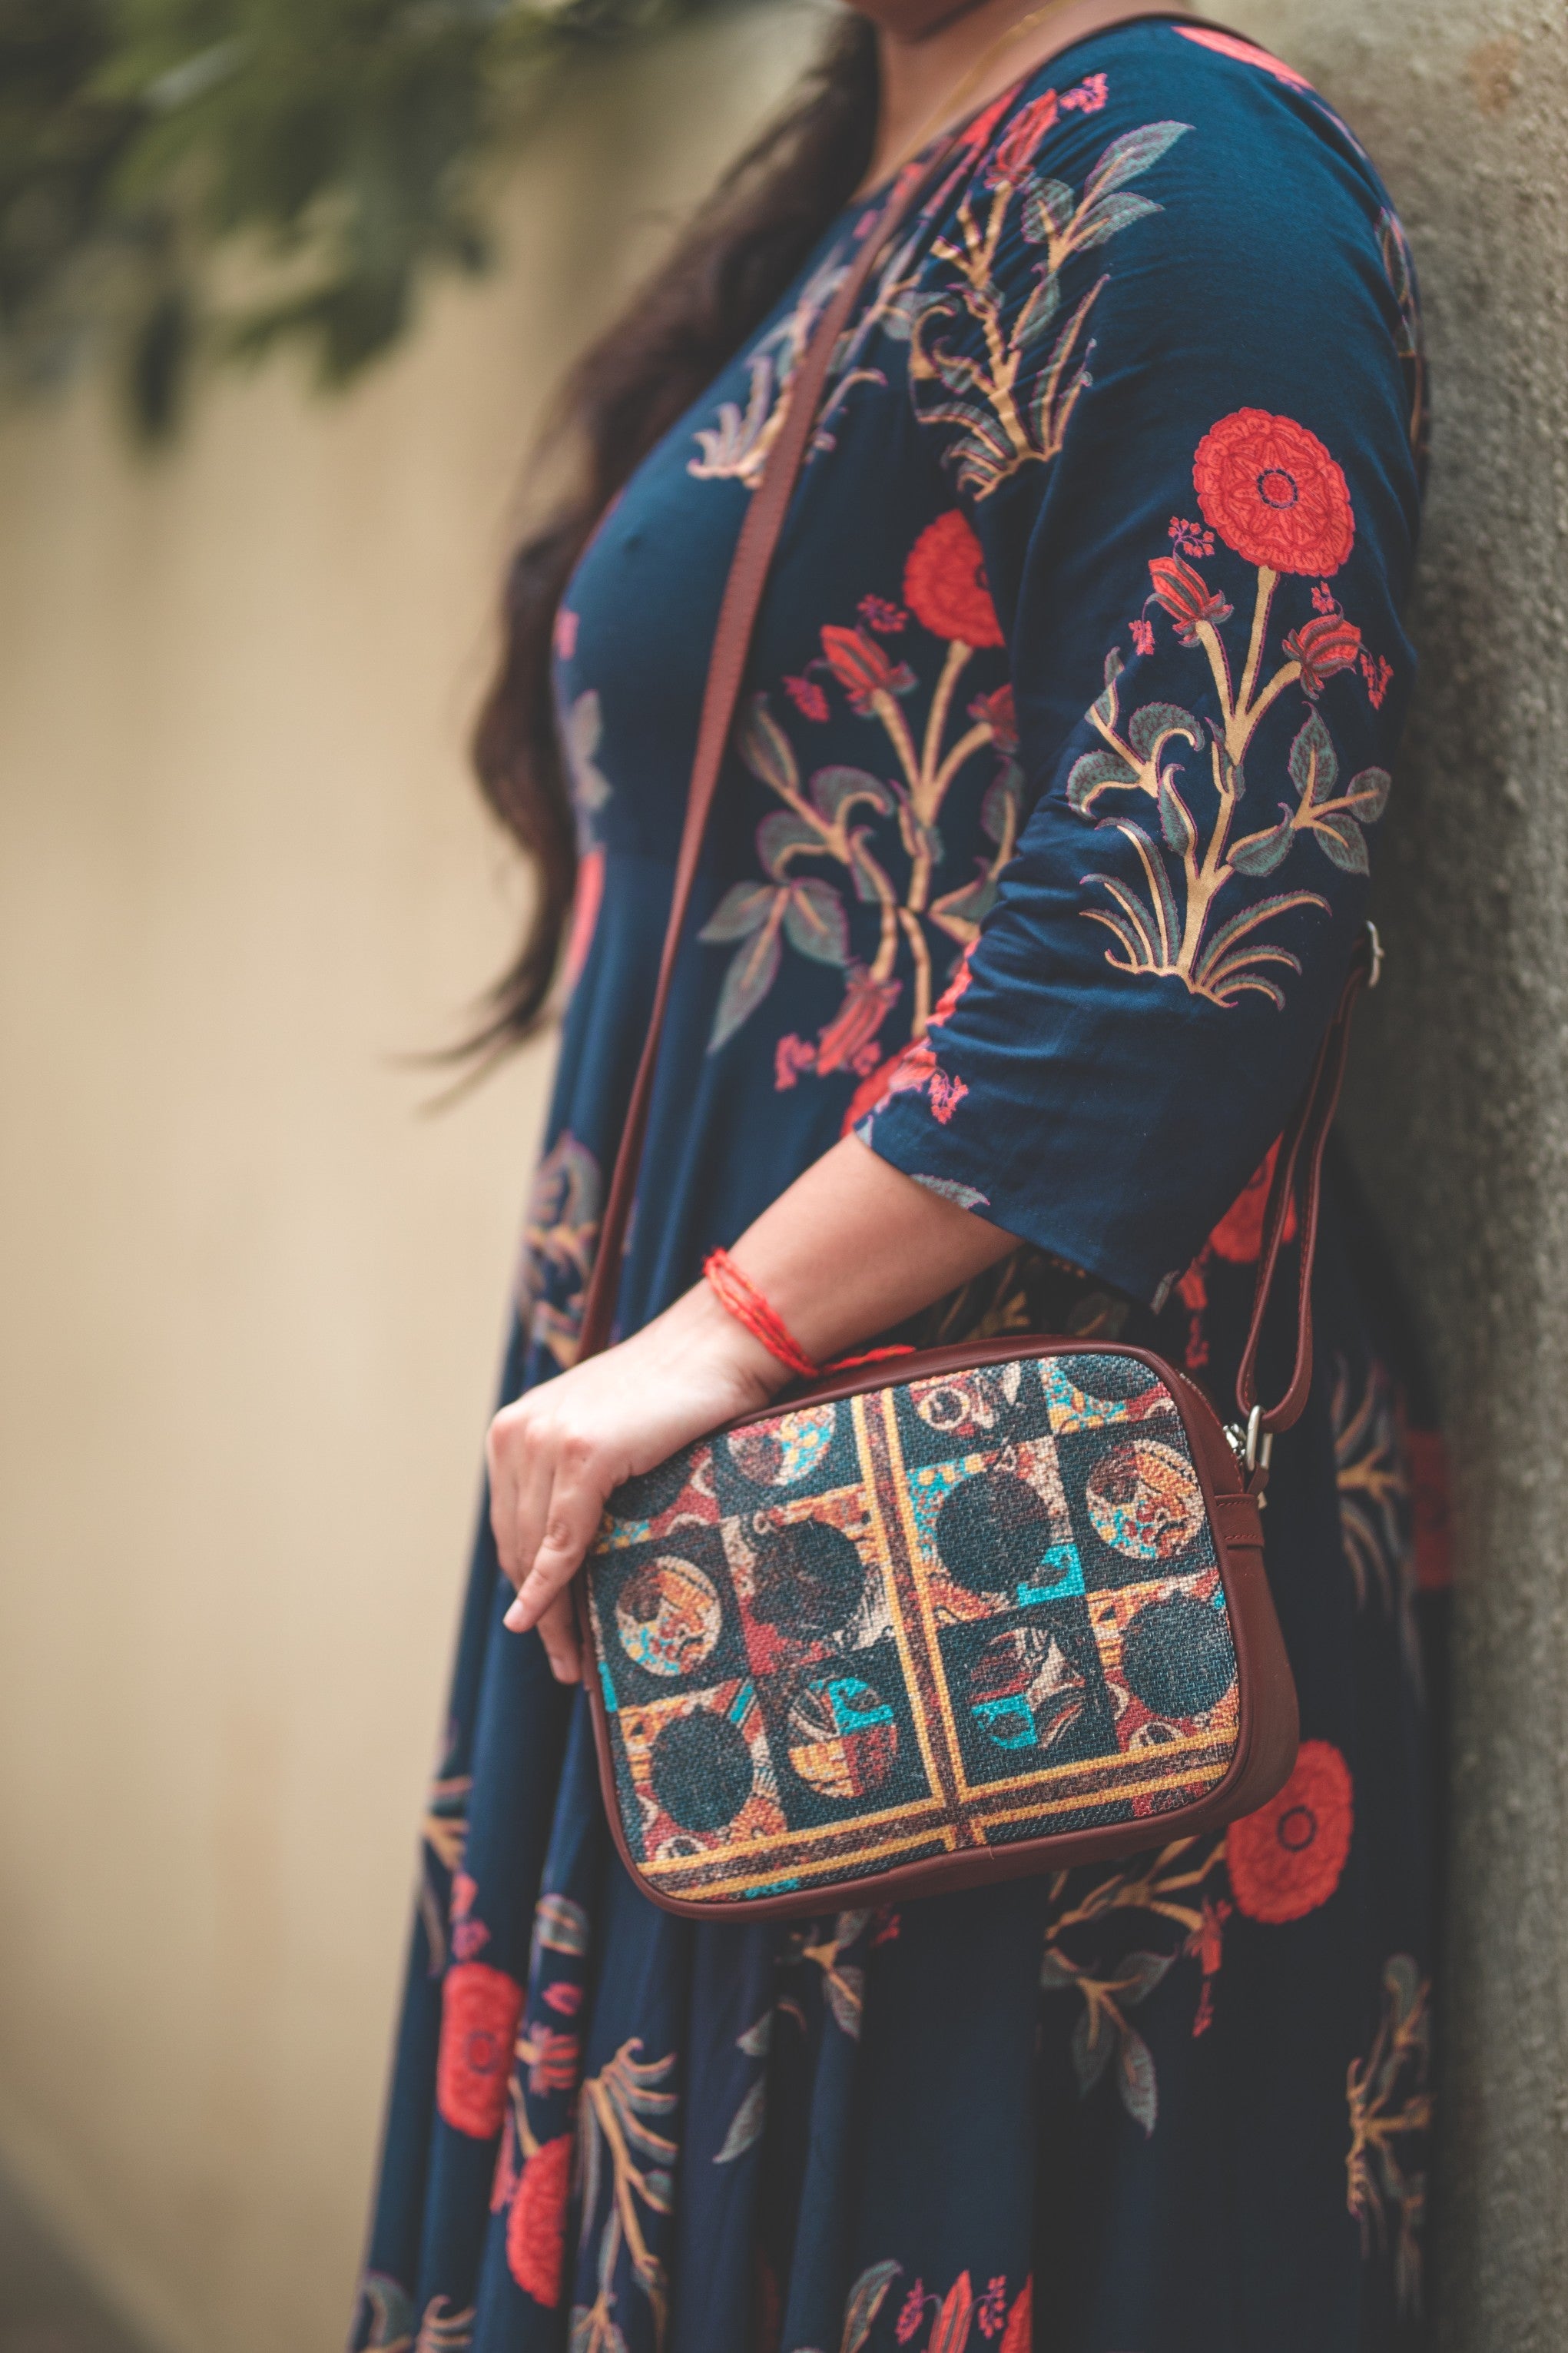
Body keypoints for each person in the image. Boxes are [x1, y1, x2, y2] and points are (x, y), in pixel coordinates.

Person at [352, 4, 1446, 2347]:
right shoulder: (889, 167)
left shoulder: (1183, 163)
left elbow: (1194, 902)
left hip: (979, 1565)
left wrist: (717, 1339)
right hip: (738, 1523)